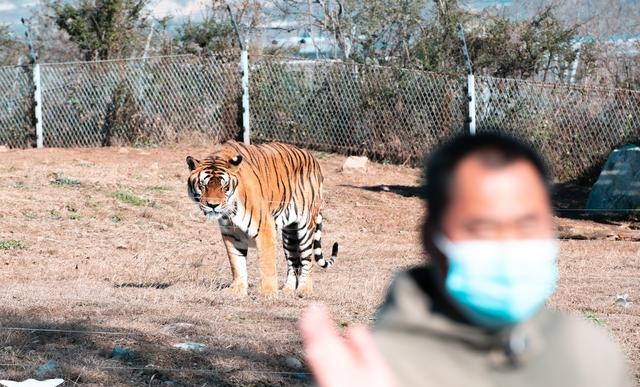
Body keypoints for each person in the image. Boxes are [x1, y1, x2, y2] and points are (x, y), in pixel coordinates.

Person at [299, 132, 634, 387]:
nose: (509, 246)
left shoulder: (589, 351)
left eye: (527, 224)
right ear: (429, 237)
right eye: (483, 228)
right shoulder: (375, 369)